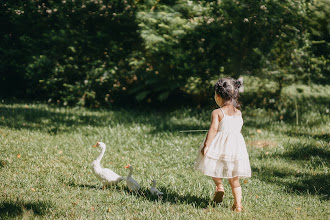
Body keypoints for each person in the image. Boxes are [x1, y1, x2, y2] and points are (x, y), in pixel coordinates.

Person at [195, 77, 251, 212]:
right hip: (235, 149)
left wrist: (207, 145)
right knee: (234, 179)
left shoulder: (217, 112)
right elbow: (237, 129)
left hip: (220, 147)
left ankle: (219, 186)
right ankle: (238, 205)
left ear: (218, 96)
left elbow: (213, 129)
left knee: (213, 166)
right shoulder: (238, 113)